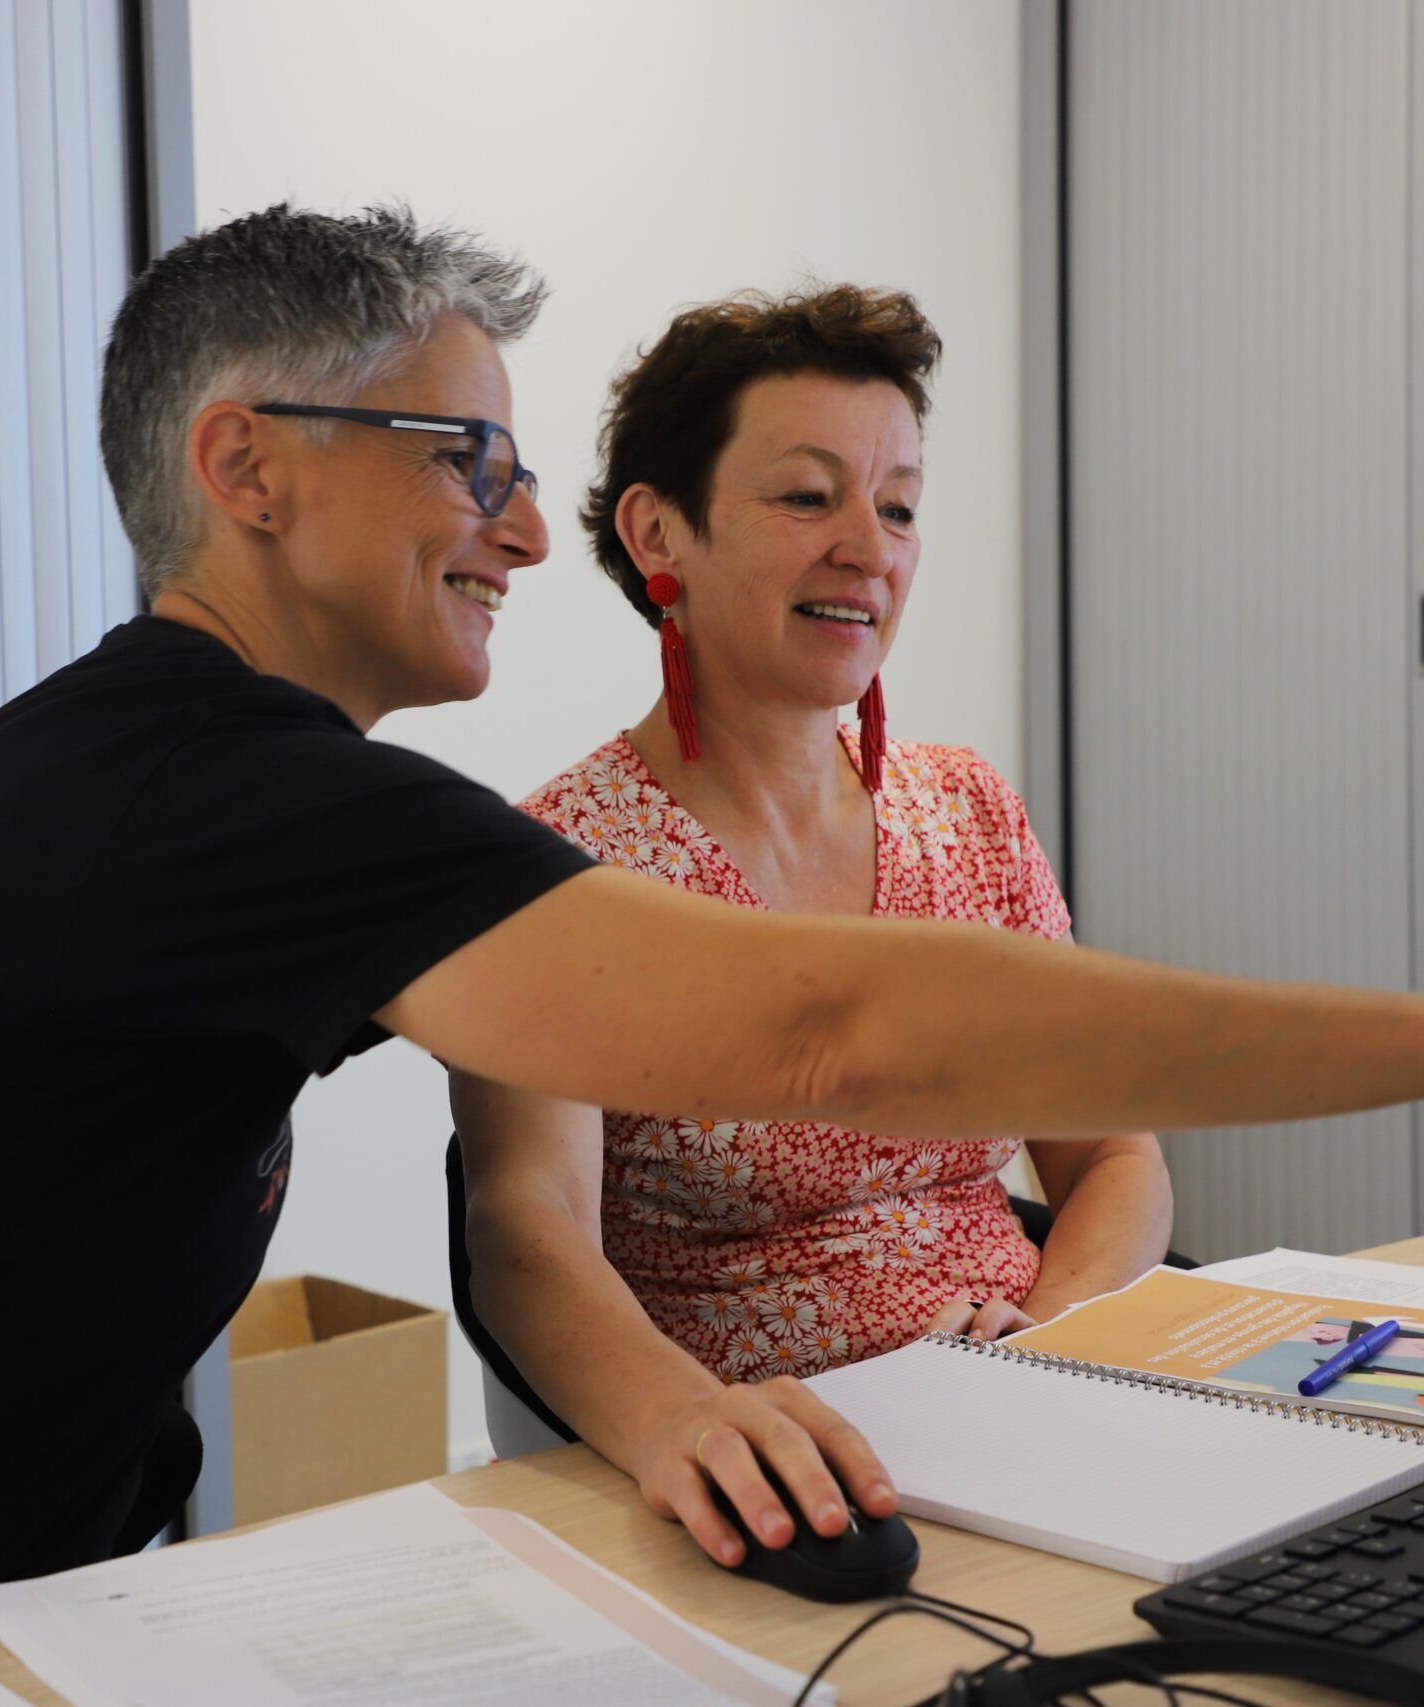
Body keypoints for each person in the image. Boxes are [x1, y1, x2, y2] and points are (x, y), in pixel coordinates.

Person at [0, 205, 1424, 1705]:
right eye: (465, 459)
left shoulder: (196, 779)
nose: (521, 525)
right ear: (249, 467)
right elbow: (822, 1023)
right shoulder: (210, 789)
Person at [453, 286, 1173, 1499]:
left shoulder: (971, 811)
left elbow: (1114, 1155)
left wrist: (1054, 1348)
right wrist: (703, 1433)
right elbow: (528, 1238)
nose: (868, 546)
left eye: (898, 506)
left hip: (1037, 1409)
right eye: (805, 495)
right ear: (658, 533)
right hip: (777, 1471)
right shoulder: (555, 871)